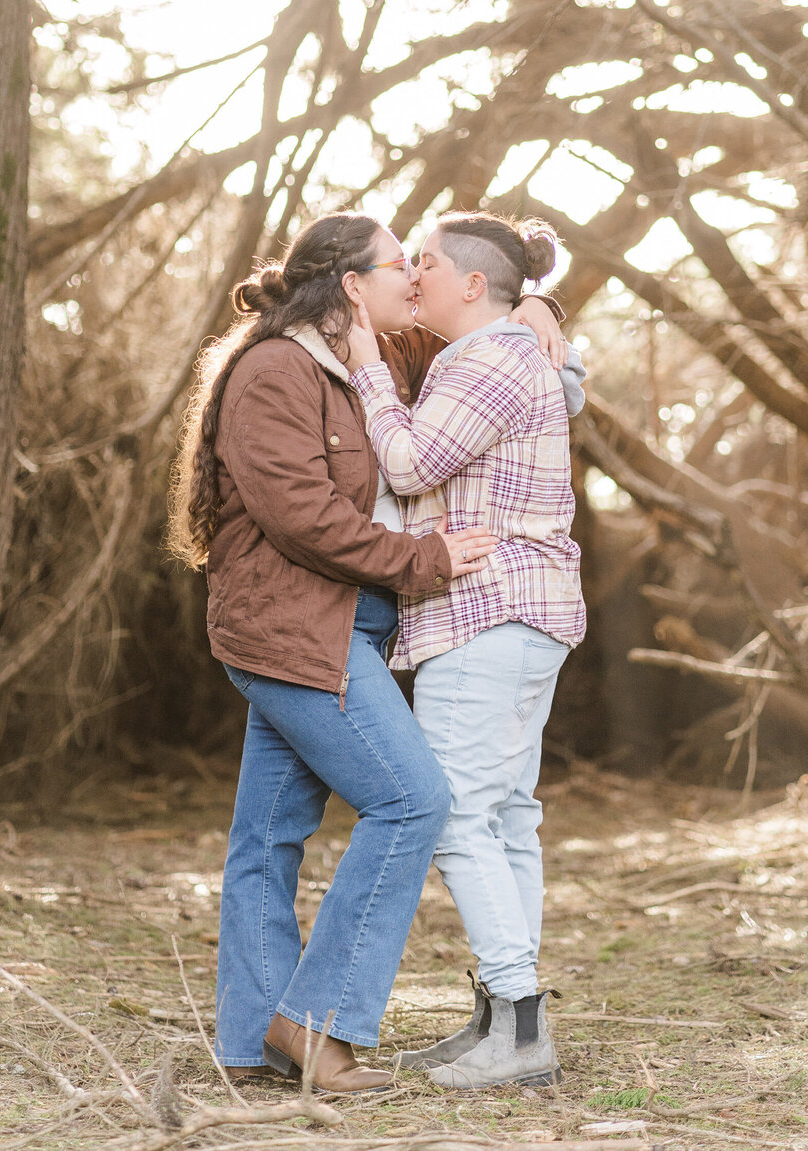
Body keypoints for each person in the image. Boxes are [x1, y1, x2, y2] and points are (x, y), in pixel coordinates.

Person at [165, 211, 563, 1094]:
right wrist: (423, 560)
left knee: (267, 835)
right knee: (415, 798)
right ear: (353, 284)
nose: (413, 279)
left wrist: (542, 306)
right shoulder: (276, 370)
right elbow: (302, 516)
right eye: (398, 265)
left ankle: (255, 1042)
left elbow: (491, 308)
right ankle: (317, 1024)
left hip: (338, 629)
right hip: (297, 632)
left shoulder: (376, 357)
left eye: (419, 266)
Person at [344, 213, 585, 1091]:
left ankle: (518, 1023)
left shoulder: (489, 358)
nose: (415, 274)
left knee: (456, 814)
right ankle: (504, 1019)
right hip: (521, 614)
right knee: (507, 815)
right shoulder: (507, 350)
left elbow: (410, 464)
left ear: (474, 285)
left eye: (429, 261)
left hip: (487, 612)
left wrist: (368, 368)